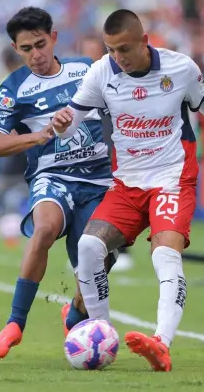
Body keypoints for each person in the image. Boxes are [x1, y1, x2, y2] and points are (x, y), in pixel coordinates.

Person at [52, 9, 204, 372]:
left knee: (164, 256)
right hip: (127, 185)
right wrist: (63, 124)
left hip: (171, 180)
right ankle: (100, 330)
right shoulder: (101, 73)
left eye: (124, 49)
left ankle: (161, 343)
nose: (118, 58)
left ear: (145, 41)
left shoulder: (180, 69)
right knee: (88, 246)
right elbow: (70, 122)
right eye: (111, 50)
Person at [0, 7, 116, 360]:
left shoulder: (86, 69)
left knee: (101, 258)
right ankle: (14, 323)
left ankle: (75, 310)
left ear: (53, 38)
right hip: (52, 176)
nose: (35, 55)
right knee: (45, 228)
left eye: (40, 44)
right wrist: (38, 136)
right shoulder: (14, 89)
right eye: (26, 49)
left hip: (101, 179)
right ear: (16, 49)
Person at [79, 35, 135, 272]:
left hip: (115, 143)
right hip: (93, 145)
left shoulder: (115, 77)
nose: (88, 56)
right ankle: (96, 248)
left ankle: (123, 250)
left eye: (92, 50)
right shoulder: (82, 79)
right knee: (96, 198)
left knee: (119, 195)